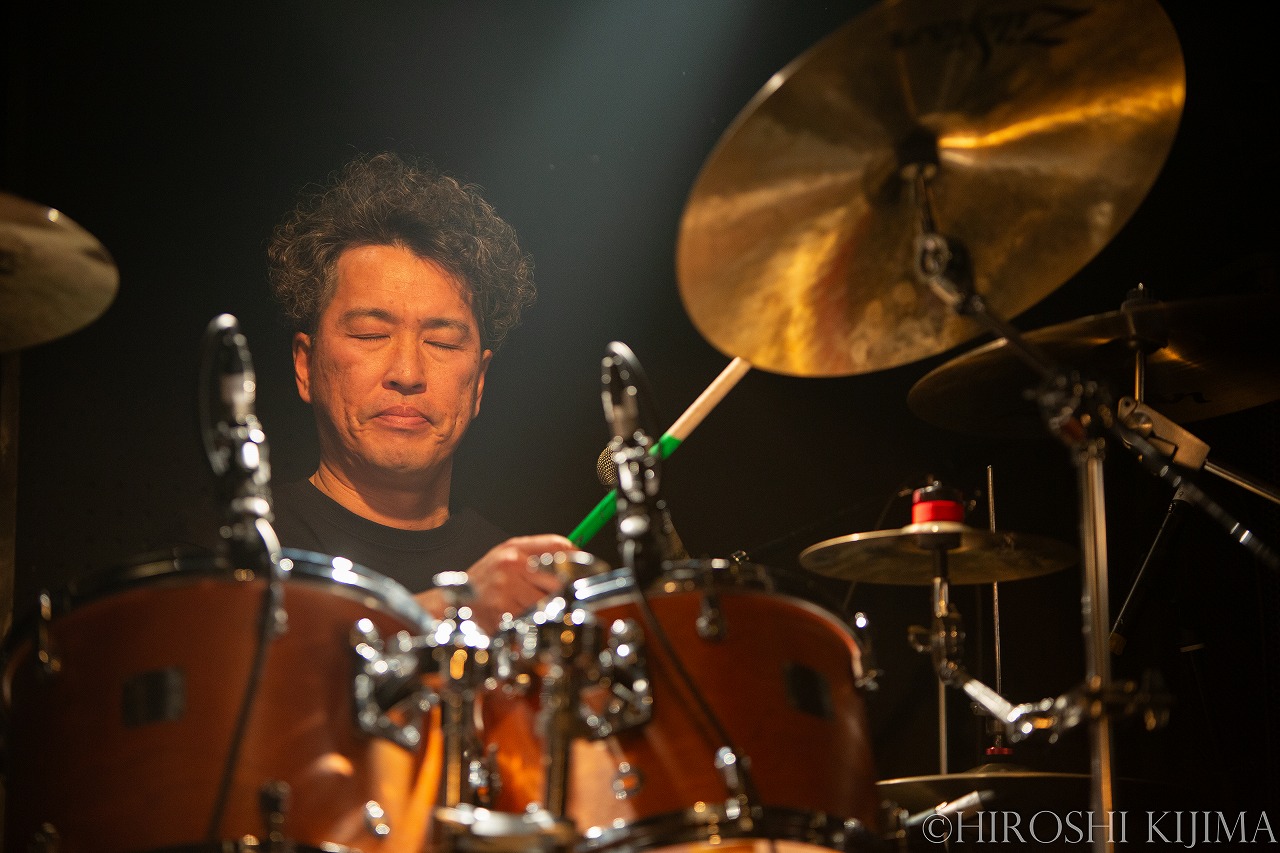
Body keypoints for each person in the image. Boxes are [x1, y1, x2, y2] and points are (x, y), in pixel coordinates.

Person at [265, 151, 572, 629]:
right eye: (371, 334)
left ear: (479, 383)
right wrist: (452, 608)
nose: (407, 372)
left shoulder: (520, 588)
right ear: (306, 365)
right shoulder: (235, 554)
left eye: (442, 342)